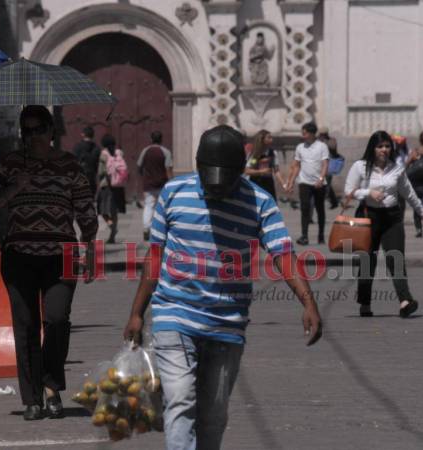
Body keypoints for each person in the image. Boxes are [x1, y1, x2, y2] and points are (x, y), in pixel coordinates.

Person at [123, 125, 322, 450]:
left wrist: (308, 302)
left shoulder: (260, 202)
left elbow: (283, 254)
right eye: (209, 179)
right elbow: (154, 256)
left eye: (224, 182)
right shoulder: (173, 193)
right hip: (175, 317)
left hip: (226, 325)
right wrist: (136, 313)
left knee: (213, 415)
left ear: (239, 172)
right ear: (198, 166)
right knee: (181, 402)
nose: (215, 189)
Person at [0, 105, 98, 420]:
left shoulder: (69, 165)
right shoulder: (11, 164)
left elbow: (86, 210)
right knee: (26, 325)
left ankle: (51, 385)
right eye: (26, 131)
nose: (32, 137)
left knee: (57, 320)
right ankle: (32, 398)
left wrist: (90, 248)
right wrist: (15, 186)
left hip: (62, 255)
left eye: (37, 130)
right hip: (19, 256)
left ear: (50, 131)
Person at [344, 130, 423, 318]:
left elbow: (409, 193)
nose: (384, 150)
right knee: (368, 261)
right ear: (372, 148)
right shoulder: (360, 166)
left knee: (396, 258)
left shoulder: (396, 169)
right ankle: (365, 303)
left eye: (387, 146)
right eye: (380, 146)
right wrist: (368, 193)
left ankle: (405, 300)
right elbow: (349, 191)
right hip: (368, 218)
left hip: (392, 218)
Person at [286, 122, 329, 245]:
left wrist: (321, 179)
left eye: (304, 133)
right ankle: (304, 236)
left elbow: (325, 164)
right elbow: (296, 166)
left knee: (320, 209)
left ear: (311, 133)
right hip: (304, 182)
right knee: (304, 208)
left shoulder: (322, 146)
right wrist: (291, 181)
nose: (303, 135)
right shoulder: (300, 147)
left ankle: (321, 235)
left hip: (319, 183)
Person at [137, 130, 173, 241]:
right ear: (161, 139)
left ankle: (146, 228)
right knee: (163, 207)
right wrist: (170, 182)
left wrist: (144, 176)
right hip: (162, 184)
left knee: (149, 206)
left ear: (151, 139)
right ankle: (162, 230)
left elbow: (139, 165)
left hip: (148, 184)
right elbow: (168, 168)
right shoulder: (165, 151)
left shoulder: (145, 151)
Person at [97, 134, 126, 244]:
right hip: (118, 186)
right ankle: (112, 237)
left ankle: (112, 226)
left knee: (102, 210)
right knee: (114, 212)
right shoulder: (119, 153)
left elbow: (100, 172)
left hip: (106, 186)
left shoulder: (103, 154)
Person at [244, 129, 286, 201]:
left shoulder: (272, 153)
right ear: (262, 139)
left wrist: (284, 184)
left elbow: (276, 170)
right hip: (256, 183)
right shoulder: (254, 154)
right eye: (269, 137)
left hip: (268, 182)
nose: (271, 140)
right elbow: (247, 171)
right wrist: (261, 171)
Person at [317, 127, 342, 209]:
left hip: (329, 165)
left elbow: (333, 147)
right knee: (327, 183)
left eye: (322, 134)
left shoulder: (331, 140)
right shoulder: (318, 140)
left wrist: (324, 141)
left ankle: (324, 199)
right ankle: (334, 201)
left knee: (326, 183)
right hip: (319, 164)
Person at [72, 126, 100, 196]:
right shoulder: (97, 148)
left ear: (83, 134)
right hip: (92, 176)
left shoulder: (78, 147)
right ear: (93, 135)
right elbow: (97, 164)